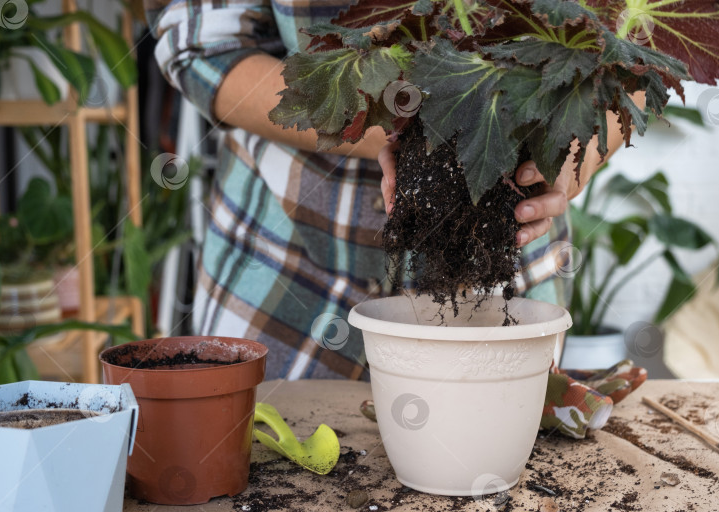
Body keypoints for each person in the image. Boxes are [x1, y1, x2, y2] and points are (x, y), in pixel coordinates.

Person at [144, 0, 635, 381]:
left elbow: (644, 47)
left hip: (509, 277)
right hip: (288, 273)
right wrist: (402, 122)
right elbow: (200, 46)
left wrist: (587, 139)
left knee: (493, 487)